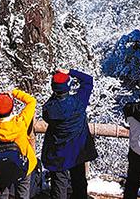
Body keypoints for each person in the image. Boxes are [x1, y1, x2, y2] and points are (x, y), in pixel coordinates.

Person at [42, 68, 98, 199]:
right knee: (79, 181)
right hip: (77, 150)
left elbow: (48, 105)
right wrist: (70, 72)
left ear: (54, 90)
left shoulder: (49, 111)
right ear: (69, 87)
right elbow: (88, 80)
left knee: (59, 185)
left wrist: (56, 87)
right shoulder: (79, 102)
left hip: (58, 153)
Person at [0, 89, 38, 199]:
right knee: (23, 195)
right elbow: (31, 101)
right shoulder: (20, 123)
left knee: (2, 195)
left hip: (2, 168)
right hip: (24, 166)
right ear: (12, 110)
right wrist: (14, 93)